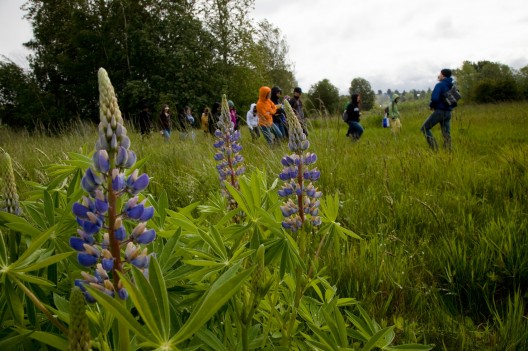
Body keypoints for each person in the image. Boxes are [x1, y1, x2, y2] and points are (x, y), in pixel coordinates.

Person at [421, 68, 455, 151]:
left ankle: (434, 148)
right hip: (448, 112)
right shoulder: (451, 85)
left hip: (440, 112)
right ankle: (448, 150)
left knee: (424, 128)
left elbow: (434, 98)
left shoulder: (440, 85)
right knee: (446, 133)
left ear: (443, 75)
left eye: (440, 74)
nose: (438, 75)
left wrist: (432, 105)